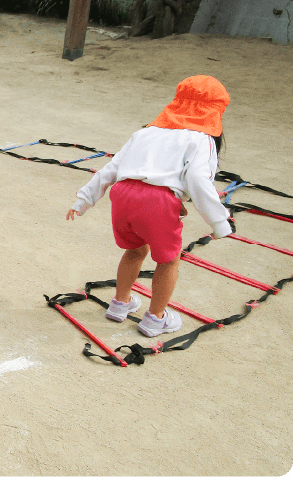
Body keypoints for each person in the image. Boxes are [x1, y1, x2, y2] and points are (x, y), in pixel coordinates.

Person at [66, 75, 232, 337]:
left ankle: (120, 303)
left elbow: (112, 168)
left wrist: (84, 199)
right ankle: (156, 318)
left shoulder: (145, 132)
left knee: (134, 250)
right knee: (168, 260)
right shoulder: (201, 140)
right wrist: (219, 221)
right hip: (158, 201)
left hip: (123, 195)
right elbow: (198, 179)